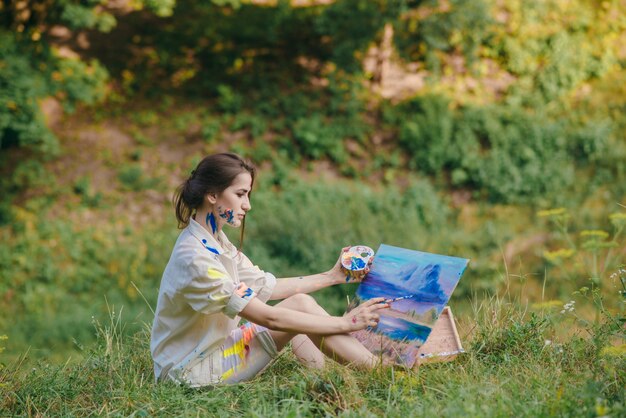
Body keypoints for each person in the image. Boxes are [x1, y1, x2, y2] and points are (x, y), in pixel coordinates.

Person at [150, 152, 389, 387]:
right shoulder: (195, 258)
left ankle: (326, 383)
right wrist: (346, 323)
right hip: (192, 373)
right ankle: (386, 374)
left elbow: (267, 286)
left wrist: (333, 276)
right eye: (240, 194)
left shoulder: (214, 241)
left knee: (301, 304)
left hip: (214, 351)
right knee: (296, 317)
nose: (248, 205)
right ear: (212, 195)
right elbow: (270, 318)